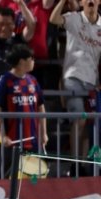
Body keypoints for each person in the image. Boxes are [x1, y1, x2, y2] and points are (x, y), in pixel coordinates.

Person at [50, 0, 101, 176]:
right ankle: (74, 164)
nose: (91, 1)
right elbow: (54, 19)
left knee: (87, 125)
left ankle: (84, 165)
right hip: (73, 77)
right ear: (82, 2)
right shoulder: (73, 18)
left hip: (92, 80)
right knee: (78, 120)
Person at [0, 43, 46, 179]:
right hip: (11, 142)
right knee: (2, 179)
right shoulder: (5, 81)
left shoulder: (33, 81)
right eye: (31, 58)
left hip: (31, 141)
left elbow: (41, 107)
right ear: (22, 62)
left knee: (31, 181)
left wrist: (43, 133)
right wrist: (2, 135)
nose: (34, 61)